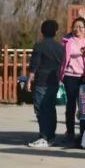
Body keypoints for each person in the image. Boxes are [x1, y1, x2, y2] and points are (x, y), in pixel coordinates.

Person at [58, 18, 85, 147]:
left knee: (84, 106)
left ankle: (83, 134)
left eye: (81, 27)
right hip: (69, 75)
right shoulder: (67, 40)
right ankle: (70, 133)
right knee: (70, 105)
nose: (78, 29)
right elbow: (61, 57)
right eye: (75, 27)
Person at [26, 19, 65, 148]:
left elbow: (34, 64)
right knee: (51, 109)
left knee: (41, 109)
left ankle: (43, 136)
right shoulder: (60, 47)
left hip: (41, 81)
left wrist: (29, 80)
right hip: (54, 80)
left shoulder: (39, 46)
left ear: (42, 31)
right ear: (56, 32)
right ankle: (51, 136)